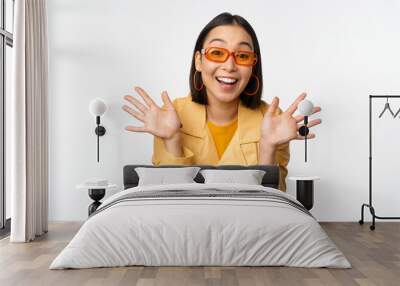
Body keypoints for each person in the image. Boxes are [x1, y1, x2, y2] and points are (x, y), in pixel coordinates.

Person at [122, 12, 321, 192]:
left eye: (242, 56)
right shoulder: (171, 116)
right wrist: (172, 140)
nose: (229, 66)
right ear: (199, 61)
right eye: (217, 53)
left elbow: (273, 207)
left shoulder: (274, 119)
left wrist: (268, 146)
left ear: (253, 65)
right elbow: (167, 200)